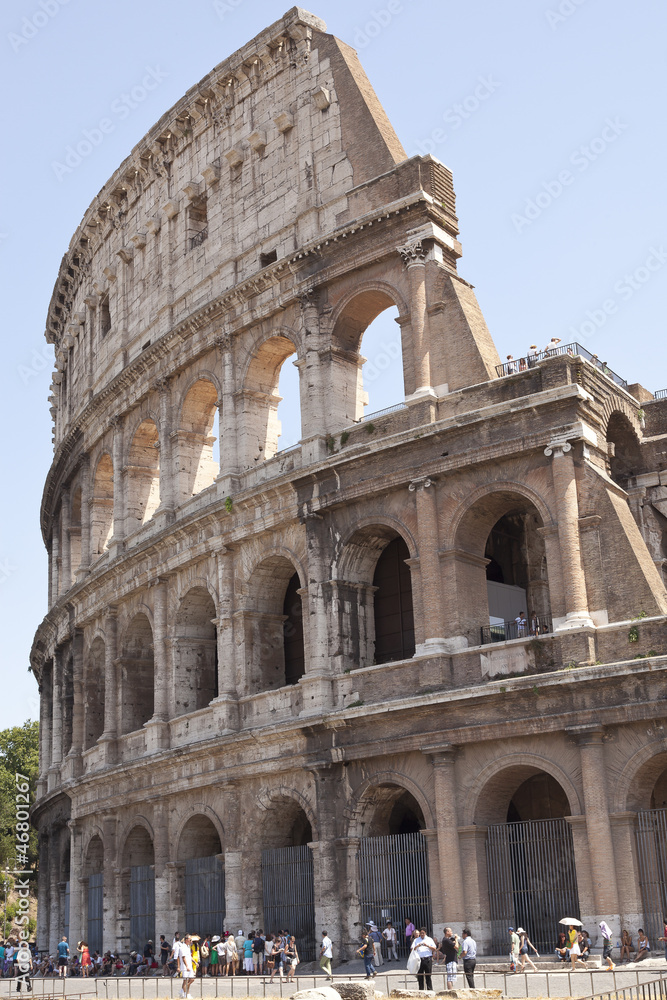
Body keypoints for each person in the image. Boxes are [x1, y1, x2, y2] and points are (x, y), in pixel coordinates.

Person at [411, 927, 437, 992]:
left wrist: (427, 945)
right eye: (421, 933)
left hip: (428, 959)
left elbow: (434, 948)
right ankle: (421, 991)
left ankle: (430, 991)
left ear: (425, 933)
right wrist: (417, 946)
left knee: (428, 976)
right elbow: (412, 949)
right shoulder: (416, 940)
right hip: (419, 960)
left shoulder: (429, 939)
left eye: (423, 933)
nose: (422, 934)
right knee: (420, 976)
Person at [175, 934, 194, 999]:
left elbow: (189, 956)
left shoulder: (188, 947)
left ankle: (182, 991)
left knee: (192, 979)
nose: (191, 941)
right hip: (186, 967)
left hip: (189, 965)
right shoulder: (183, 947)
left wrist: (194, 962)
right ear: (186, 940)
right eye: (190, 940)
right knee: (186, 980)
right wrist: (187, 966)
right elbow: (183, 958)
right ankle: (186, 993)